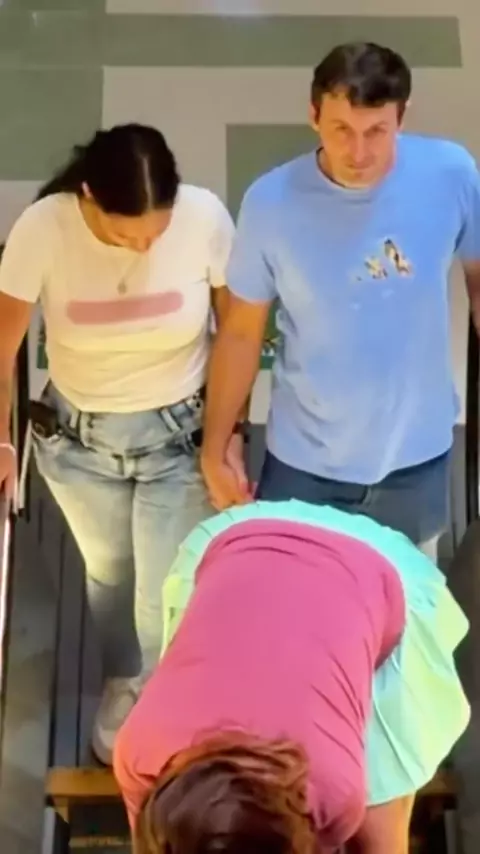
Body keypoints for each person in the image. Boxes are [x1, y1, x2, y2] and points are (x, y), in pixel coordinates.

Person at [0, 123, 244, 764]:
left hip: (179, 437)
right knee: (108, 575)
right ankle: (123, 681)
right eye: (125, 234)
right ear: (88, 196)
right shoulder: (44, 228)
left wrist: (229, 437)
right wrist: (2, 442)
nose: (142, 247)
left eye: (155, 233)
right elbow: (2, 346)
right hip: (79, 443)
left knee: (164, 583)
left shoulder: (203, 219)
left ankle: (162, 698)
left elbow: (237, 333)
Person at [200, 41, 480, 553]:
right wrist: (216, 446)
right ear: (313, 116)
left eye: (377, 131)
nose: (358, 152)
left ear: (402, 117)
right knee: (297, 600)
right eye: (341, 130)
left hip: (416, 457)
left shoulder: (452, 175)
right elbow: (241, 332)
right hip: (304, 462)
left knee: (406, 601)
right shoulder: (270, 202)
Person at [113, 500, 469, 853]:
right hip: (241, 547)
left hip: (371, 571)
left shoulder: (333, 788)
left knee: (382, 828)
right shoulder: (137, 756)